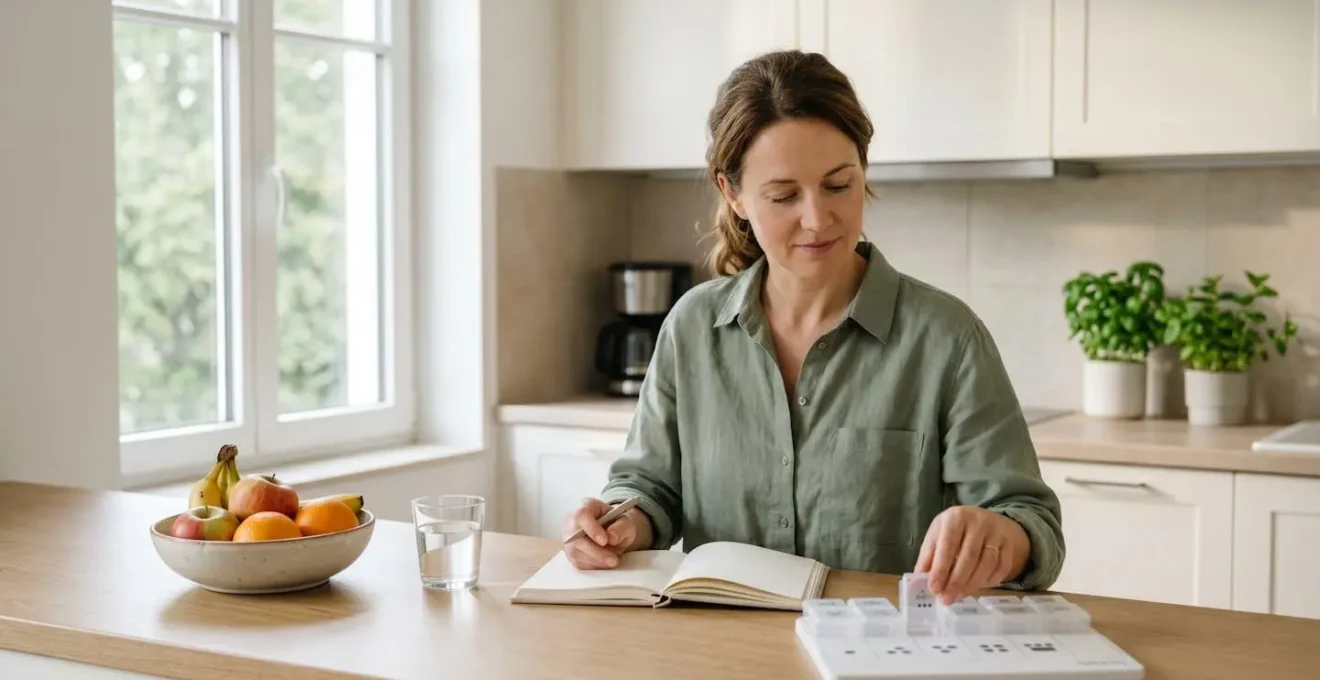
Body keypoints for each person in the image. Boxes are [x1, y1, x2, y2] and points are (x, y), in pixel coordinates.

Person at [561, 49, 1064, 605]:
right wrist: (619, 525)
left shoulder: (947, 338)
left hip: (879, 644)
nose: (818, 219)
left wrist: (1001, 537)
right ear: (733, 194)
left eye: (838, 185)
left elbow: (1031, 522)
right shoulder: (692, 326)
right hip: (721, 644)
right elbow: (650, 489)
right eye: (783, 196)